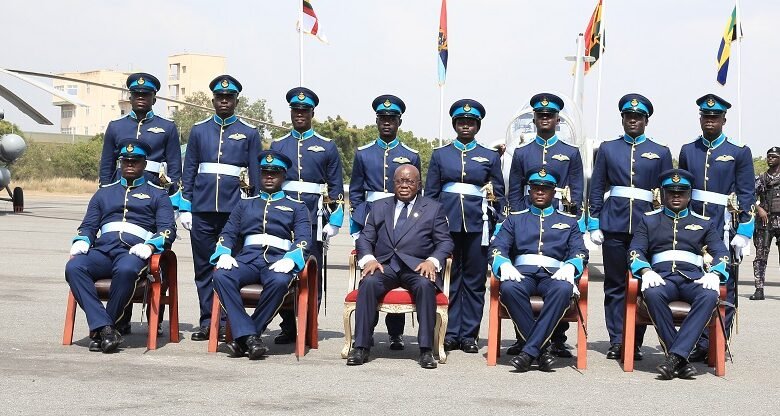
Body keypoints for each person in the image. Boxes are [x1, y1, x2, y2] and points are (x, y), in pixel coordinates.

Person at [65, 139, 176, 353]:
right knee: (74, 267)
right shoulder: (104, 193)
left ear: (144, 164)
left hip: (133, 251)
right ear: (120, 163)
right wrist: (82, 239)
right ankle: (106, 328)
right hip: (103, 250)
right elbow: (88, 225)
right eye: (126, 161)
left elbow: (167, 229)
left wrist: (151, 246)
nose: (130, 165)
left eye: (135, 161)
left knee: (126, 270)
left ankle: (102, 328)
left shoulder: (158, 194)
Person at [587, 93, 673, 360]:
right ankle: (617, 339)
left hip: (646, 227)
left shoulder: (660, 151)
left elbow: (668, 191)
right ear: (622, 119)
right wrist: (593, 220)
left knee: (642, 283)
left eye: (638, 117)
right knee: (614, 284)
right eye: (629, 116)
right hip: (613, 224)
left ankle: (634, 342)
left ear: (646, 121)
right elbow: (597, 186)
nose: (633, 120)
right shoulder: (609, 149)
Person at [178, 75, 262, 341]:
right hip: (202, 210)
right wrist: (185, 206)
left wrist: (255, 210)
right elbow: (189, 169)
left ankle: (227, 321)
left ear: (236, 100)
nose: (224, 101)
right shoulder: (199, 130)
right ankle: (207, 320)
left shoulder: (248, 133)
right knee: (203, 268)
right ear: (213, 100)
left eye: (229, 97)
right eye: (220, 97)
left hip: (234, 211)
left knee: (231, 267)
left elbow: (257, 176)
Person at [346, 165, 454, 369]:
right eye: (400, 181)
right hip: (385, 265)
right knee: (368, 283)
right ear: (393, 184)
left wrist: (432, 261)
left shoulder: (432, 208)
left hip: (416, 267)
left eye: (410, 181)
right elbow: (364, 238)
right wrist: (368, 258)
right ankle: (360, 346)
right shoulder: (378, 206)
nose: (405, 185)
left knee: (425, 285)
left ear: (418, 184)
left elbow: (445, 242)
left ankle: (426, 350)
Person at [627, 168, 730, 379]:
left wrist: (715, 274)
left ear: (690, 194)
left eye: (681, 192)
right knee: (653, 294)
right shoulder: (649, 220)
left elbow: (721, 252)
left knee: (710, 295)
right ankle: (681, 358)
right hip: (661, 277)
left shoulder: (704, 222)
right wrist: (645, 271)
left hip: (693, 278)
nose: (676, 196)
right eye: (671, 192)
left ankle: (674, 357)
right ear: (663, 193)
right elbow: (635, 249)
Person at [98, 73, 181, 333]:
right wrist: (104, 196)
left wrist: (176, 201)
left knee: (154, 256)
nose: (141, 98)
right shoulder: (115, 126)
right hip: (120, 196)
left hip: (154, 197)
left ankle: (154, 318)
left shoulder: (167, 127)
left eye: (146, 95)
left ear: (154, 97)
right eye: (136, 94)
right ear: (130, 97)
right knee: (119, 253)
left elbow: (175, 167)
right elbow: (106, 165)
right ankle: (121, 319)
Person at [505, 93, 585, 356]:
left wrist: (575, 220)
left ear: (557, 119)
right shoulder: (522, 151)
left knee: (559, 273)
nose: (545, 119)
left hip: (560, 216)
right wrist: (517, 219)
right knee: (522, 271)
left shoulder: (570, 152)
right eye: (540, 116)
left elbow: (577, 188)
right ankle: (523, 337)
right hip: (525, 218)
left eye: (549, 116)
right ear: (535, 119)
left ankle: (557, 337)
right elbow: (514, 189)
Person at [210, 150, 311, 359]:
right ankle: (251, 338)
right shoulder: (245, 203)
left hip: (277, 260)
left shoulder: (297, 207)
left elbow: (303, 238)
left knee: (280, 281)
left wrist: (291, 258)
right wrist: (223, 253)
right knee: (221, 275)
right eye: (265, 172)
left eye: (274, 173)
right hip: (247, 259)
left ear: (284, 176)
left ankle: (244, 337)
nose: (269, 176)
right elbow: (228, 232)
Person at [678, 93, 755, 361]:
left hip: (724, 224)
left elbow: (747, 194)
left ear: (723, 119)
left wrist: (745, 231)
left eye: (715, 117)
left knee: (726, 283)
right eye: (705, 117)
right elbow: (683, 188)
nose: (710, 121)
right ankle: (698, 342)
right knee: (694, 278)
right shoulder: (689, 150)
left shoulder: (738, 151)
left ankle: (718, 342)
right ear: (700, 119)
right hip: (693, 224)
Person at [425, 99, 505, 353]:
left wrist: (495, 223)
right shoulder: (440, 155)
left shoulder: (490, 156)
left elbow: (498, 193)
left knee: (473, 280)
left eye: (471, 122)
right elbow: (431, 193)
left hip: (477, 225)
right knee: (449, 278)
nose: (466, 126)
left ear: (477, 126)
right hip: (447, 224)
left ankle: (469, 334)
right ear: (455, 125)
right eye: (461, 122)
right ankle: (449, 332)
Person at [489, 166, 587, 372]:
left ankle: (529, 351)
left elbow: (579, 251)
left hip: (554, 275)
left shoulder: (569, 222)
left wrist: (571, 266)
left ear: (554, 192)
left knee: (562, 290)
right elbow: (498, 247)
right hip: (522, 273)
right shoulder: (514, 219)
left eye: (545, 189)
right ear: (529, 191)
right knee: (508, 289)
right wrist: (503, 263)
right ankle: (541, 351)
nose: (540, 192)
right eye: (535, 188)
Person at [270, 87, 345, 344]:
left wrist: (334, 220)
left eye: (304, 110)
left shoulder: (326, 146)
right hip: (283, 217)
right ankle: (288, 325)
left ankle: (310, 322)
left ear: (312, 112)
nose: (299, 114)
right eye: (295, 110)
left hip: (314, 217)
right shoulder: (279, 145)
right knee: (281, 269)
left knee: (311, 271)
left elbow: (335, 185)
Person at [348, 94, 421, 349]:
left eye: (392, 118)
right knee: (372, 273)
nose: (387, 123)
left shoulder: (410, 154)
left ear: (399, 121)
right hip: (371, 218)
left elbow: (416, 193)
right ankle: (365, 334)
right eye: (382, 119)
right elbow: (356, 191)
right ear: (377, 121)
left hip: (399, 221)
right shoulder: (364, 153)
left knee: (397, 266)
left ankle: (395, 333)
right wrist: (358, 221)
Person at [751, 146, 780, 300]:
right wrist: (759, 209)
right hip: (765, 221)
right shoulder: (761, 179)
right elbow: (749, 196)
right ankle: (759, 290)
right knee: (760, 257)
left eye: (774, 156)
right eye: (768, 156)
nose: (770, 159)